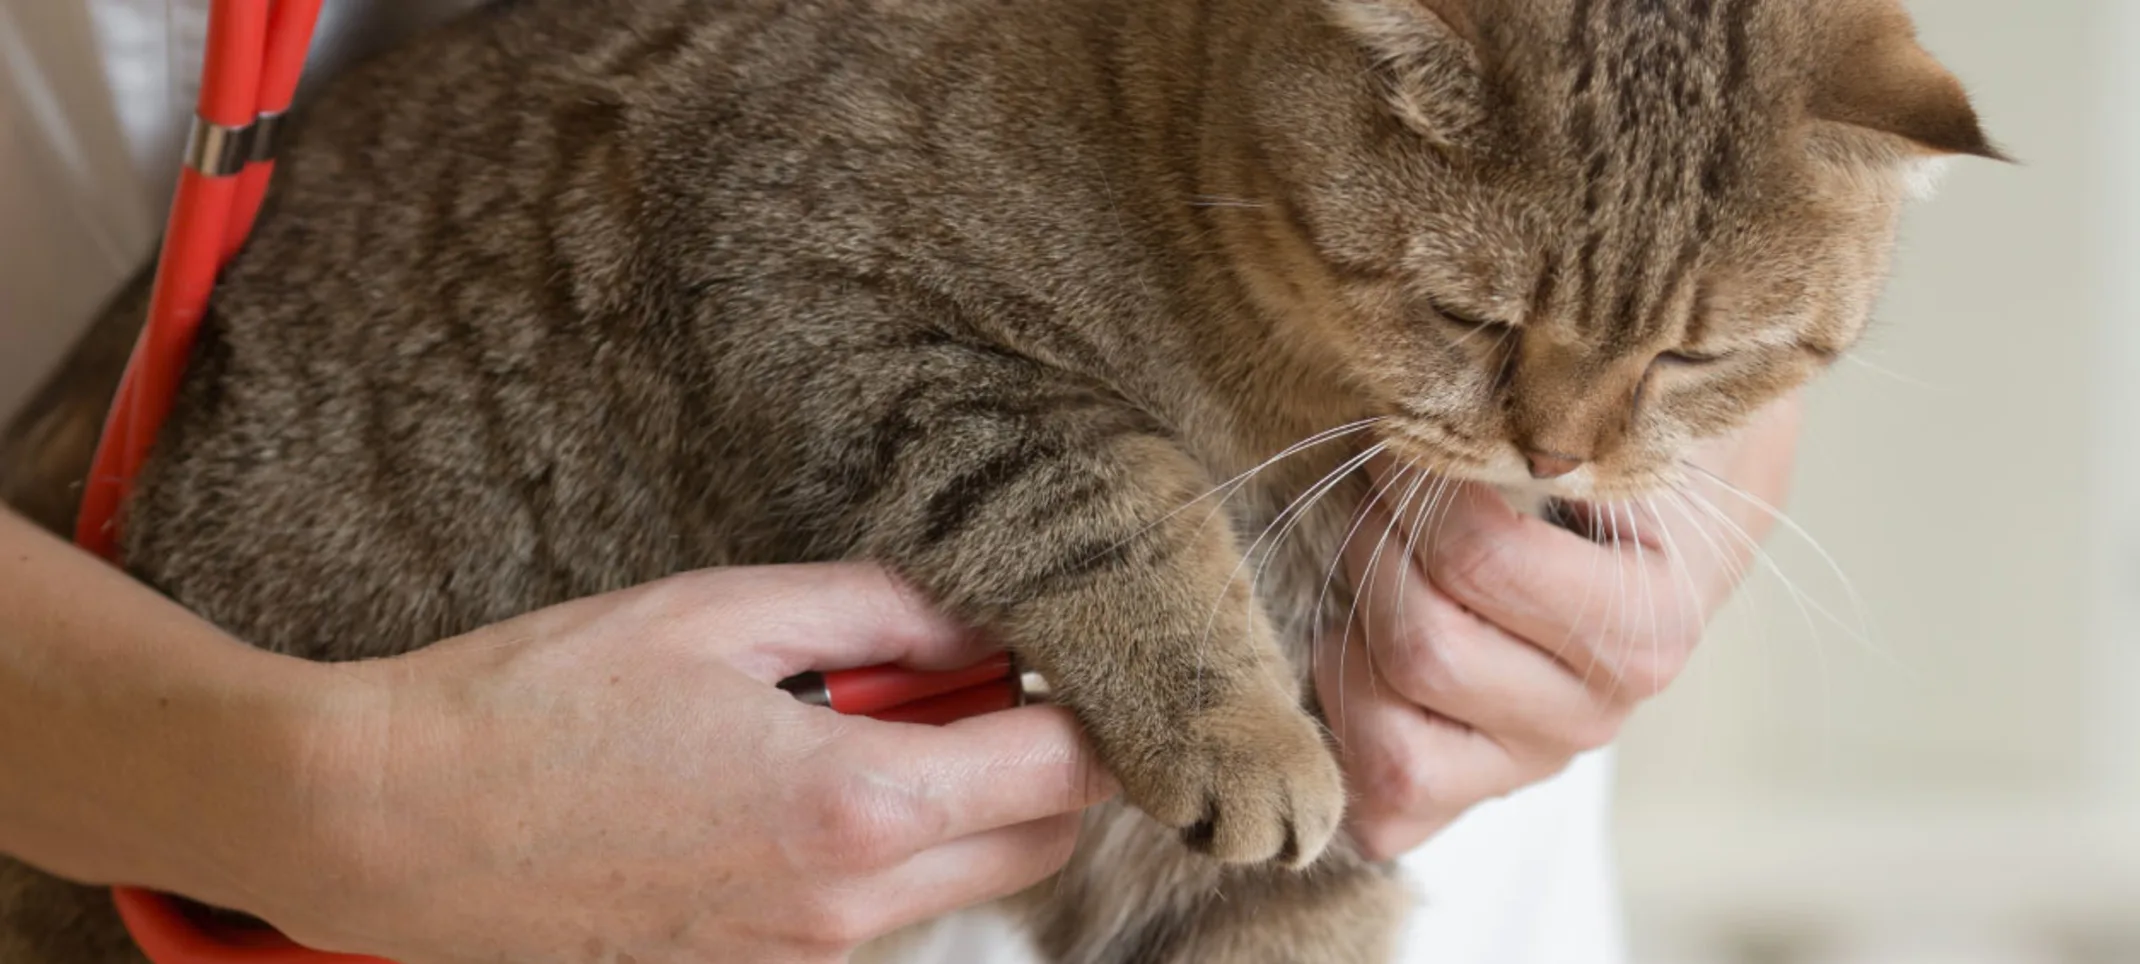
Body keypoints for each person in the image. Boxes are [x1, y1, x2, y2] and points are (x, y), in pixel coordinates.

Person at [0, 2, 1802, 961]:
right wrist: (324, 798)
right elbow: (783, 221)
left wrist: (1696, 474)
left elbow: (1734, 109)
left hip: (1381, 847)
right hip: (156, 751)